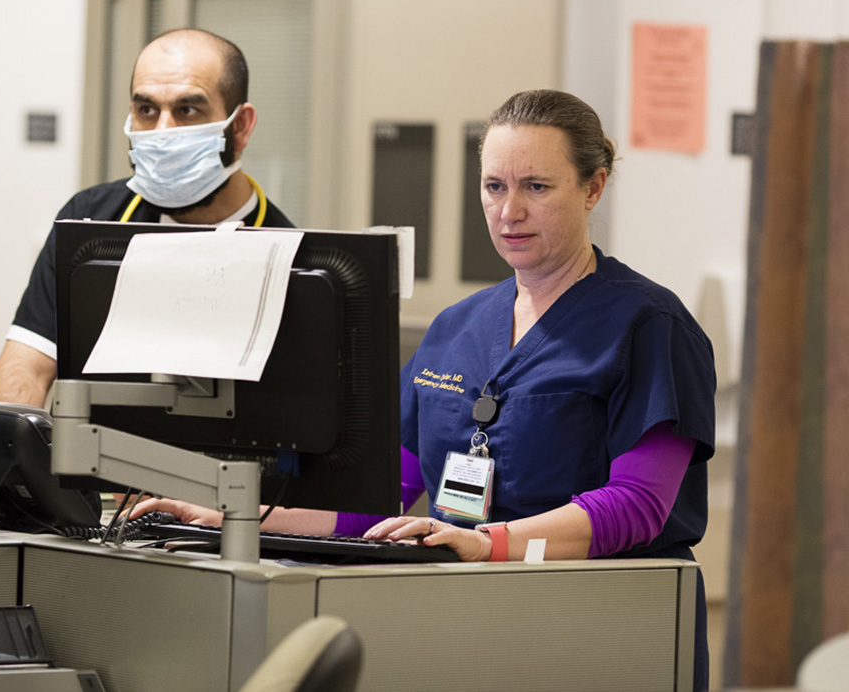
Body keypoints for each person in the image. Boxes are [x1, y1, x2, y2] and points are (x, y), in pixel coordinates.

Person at [131, 89, 715, 690]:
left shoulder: (649, 326)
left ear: (592, 188)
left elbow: (641, 506)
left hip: (603, 619)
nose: (509, 210)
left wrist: (485, 542)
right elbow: (374, 500)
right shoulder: (455, 329)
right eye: (494, 187)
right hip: (465, 613)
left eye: (536, 187)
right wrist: (232, 515)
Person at [0, 28, 296, 408]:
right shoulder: (89, 225)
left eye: (187, 110)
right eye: (146, 110)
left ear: (241, 126)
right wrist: (4, 457)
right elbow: (26, 370)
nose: (162, 132)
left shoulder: (291, 256)